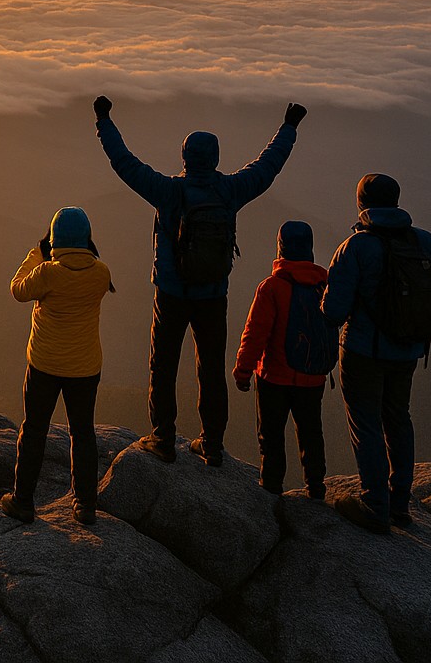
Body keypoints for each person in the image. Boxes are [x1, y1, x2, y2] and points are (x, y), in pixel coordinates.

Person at [93, 95, 306, 465]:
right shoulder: (231, 190)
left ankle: (162, 436)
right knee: (210, 367)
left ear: (185, 157)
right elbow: (268, 166)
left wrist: (103, 120)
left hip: (172, 294)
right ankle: (212, 444)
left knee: (163, 365)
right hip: (212, 295)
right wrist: (289, 127)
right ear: (216, 158)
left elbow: (123, 162)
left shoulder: (168, 192)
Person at [322, 173, 431, 534]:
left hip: (363, 350)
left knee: (366, 423)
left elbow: (334, 311)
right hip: (408, 349)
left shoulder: (355, 247)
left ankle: (374, 504)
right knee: (398, 418)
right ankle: (399, 504)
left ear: (361, 203)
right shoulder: (426, 242)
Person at [0, 207, 114, 526]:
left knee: (35, 430)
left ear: (55, 240)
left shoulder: (47, 272)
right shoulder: (101, 273)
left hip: (45, 365)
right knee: (82, 433)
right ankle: (85, 505)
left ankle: (23, 501)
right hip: (85, 367)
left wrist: (37, 254)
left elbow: (18, 289)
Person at [233, 220, 331, 499]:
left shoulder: (272, 287)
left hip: (274, 376)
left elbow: (255, 334)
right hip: (313, 376)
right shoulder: (325, 285)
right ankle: (315, 486)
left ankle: (272, 486)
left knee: (272, 434)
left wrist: (243, 371)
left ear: (281, 248)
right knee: (311, 431)